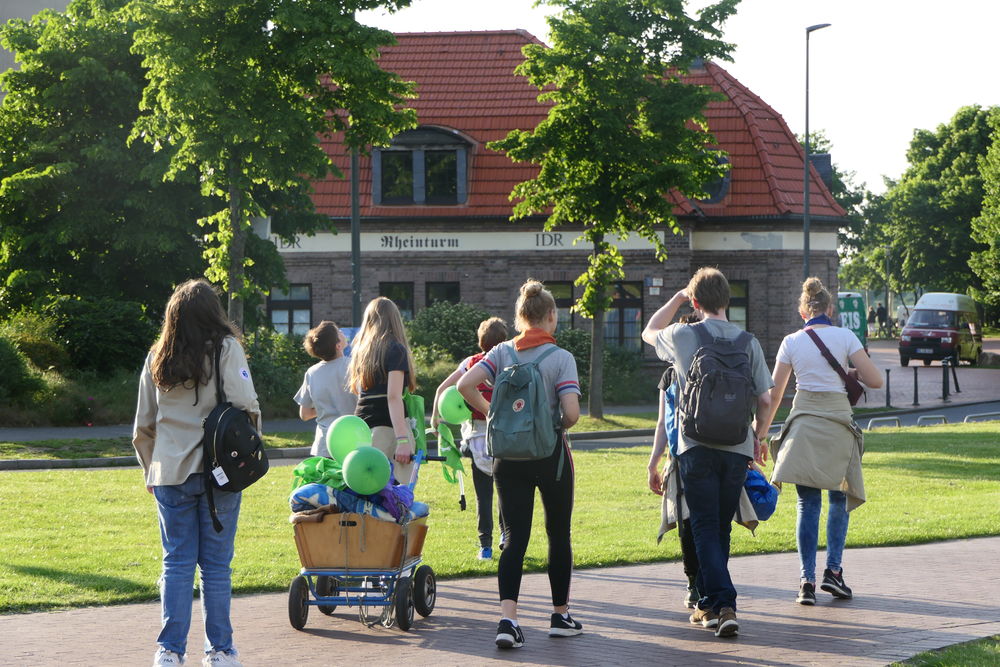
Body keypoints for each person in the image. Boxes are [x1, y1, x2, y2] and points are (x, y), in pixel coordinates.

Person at [133, 279, 259, 667]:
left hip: (169, 470)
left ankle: (169, 651)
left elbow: (143, 426)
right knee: (217, 567)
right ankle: (220, 650)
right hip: (218, 471)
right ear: (213, 311)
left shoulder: (158, 356)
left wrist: (149, 470)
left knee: (176, 563)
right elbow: (245, 405)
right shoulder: (226, 349)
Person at [641, 267, 772, 639]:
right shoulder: (749, 342)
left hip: (694, 445)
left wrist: (677, 299)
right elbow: (765, 398)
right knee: (719, 524)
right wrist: (758, 438)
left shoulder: (684, 335)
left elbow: (648, 331)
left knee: (702, 525)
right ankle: (712, 606)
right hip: (736, 447)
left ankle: (725, 601)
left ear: (696, 303)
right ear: (727, 300)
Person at [457, 280, 582, 650]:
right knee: (558, 534)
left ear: (519, 318)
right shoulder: (561, 358)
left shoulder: (500, 352)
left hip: (507, 458)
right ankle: (560, 614)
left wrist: (491, 413)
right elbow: (572, 413)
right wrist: (555, 422)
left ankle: (508, 620)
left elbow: (464, 385)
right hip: (550, 456)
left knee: (513, 539)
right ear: (551, 317)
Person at [756, 277, 882, 606]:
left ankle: (806, 581)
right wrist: (849, 372)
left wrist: (759, 435)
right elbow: (876, 381)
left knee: (806, 505)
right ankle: (834, 572)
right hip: (839, 424)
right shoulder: (845, 336)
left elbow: (775, 394)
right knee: (839, 502)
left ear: (802, 312)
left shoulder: (791, 341)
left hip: (804, 425)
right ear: (830, 309)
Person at [431, 316, 509, 561]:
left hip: (476, 436)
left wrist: (435, 418)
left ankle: (484, 546)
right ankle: (506, 537)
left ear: (480, 341)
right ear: (504, 341)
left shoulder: (470, 363)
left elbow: (441, 389)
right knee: (506, 490)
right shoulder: (509, 363)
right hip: (506, 435)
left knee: (483, 495)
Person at [647, 312, 702, 609]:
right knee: (714, 521)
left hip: (681, 455)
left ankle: (693, 583)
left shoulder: (670, 374)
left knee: (686, 519)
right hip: (719, 449)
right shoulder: (718, 358)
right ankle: (710, 582)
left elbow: (662, 423)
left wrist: (653, 462)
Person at [347, 297, 418, 483]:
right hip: (389, 427)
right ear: (395, 319)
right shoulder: (396, 349)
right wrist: (402, 439)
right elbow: (393, 396)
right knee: (397, 493)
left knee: (366, 489)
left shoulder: (361, 350)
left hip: (362, 425)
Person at [294, 321, 357, 457]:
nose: (341, 332)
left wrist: (326, 407)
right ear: (338, 346)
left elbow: (304, 414)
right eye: (338, 331)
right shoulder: (355, 367)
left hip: (324, 445)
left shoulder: (312, 373)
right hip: (354, 442)